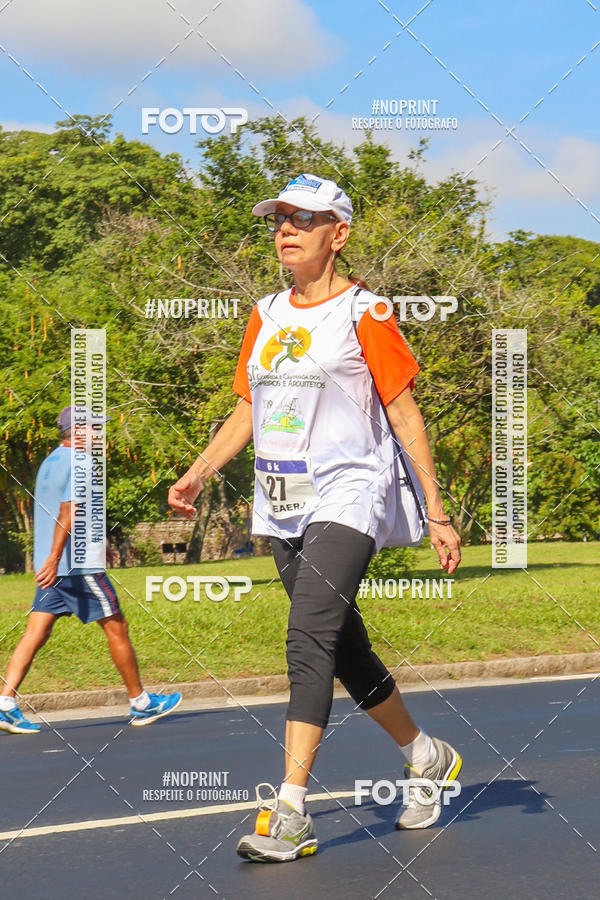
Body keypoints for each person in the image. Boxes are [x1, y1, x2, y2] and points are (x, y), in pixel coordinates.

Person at [168, 174, 462, 862]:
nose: (287, 229)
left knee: (306, 636)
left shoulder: (367, 312)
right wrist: (198, 471)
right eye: (280, 219)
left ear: (340, 234)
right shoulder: (265, 313)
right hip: (283, 499)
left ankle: (291, 812)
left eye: (305, 219)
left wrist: (437, 511)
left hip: (351, 491)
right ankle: (426, 755)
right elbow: (248, 408)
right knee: (343, 647)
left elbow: (403, 412)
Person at [0, 406, 181, 734]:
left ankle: (4, 704)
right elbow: (67, 513)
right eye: (96, 428)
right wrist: (58, 557)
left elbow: (59, 511)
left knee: (36, 632)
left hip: (53, 568)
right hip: (76, 567)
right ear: (79, 431)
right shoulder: (81, 463)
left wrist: (91, 546)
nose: (100, 435)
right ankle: (142, 703)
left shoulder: (50, 462)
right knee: (116, 626)